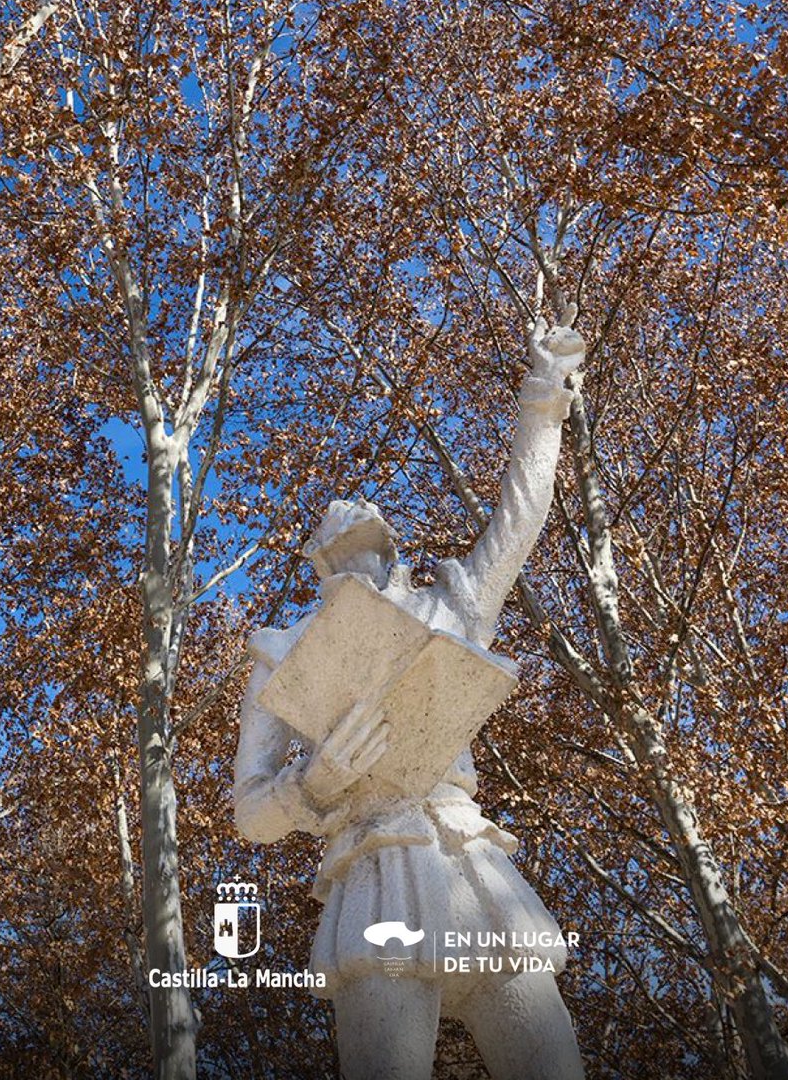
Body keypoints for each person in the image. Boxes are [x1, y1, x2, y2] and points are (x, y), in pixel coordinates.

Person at [234, 314, 586, 1080]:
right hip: (372, 866)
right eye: (348, 555)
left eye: (378, 546)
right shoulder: (281, 654)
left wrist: (541, 397)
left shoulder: (447, 610)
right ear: (321, 570)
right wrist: (314, 782)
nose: (370, 560)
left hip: (472, 863)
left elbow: (518, 522)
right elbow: (251, 814)